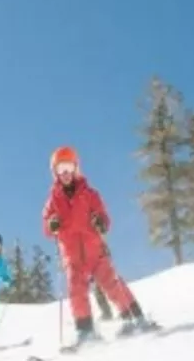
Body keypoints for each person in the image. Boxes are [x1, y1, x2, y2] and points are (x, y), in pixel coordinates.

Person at [41, 146, 156, 345]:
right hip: (71, 255)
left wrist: (100, 221)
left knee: (111, 283)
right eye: (60, 169)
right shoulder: (53, 200)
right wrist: (52, 224)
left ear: (76, 168)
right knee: (76, 290)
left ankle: (134, 317)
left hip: (94, 249)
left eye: (68, 167)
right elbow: (47, 227)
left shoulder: (90, 194)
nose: (65, 173)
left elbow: (104, 217)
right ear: (55, 173)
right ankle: (85, 331)